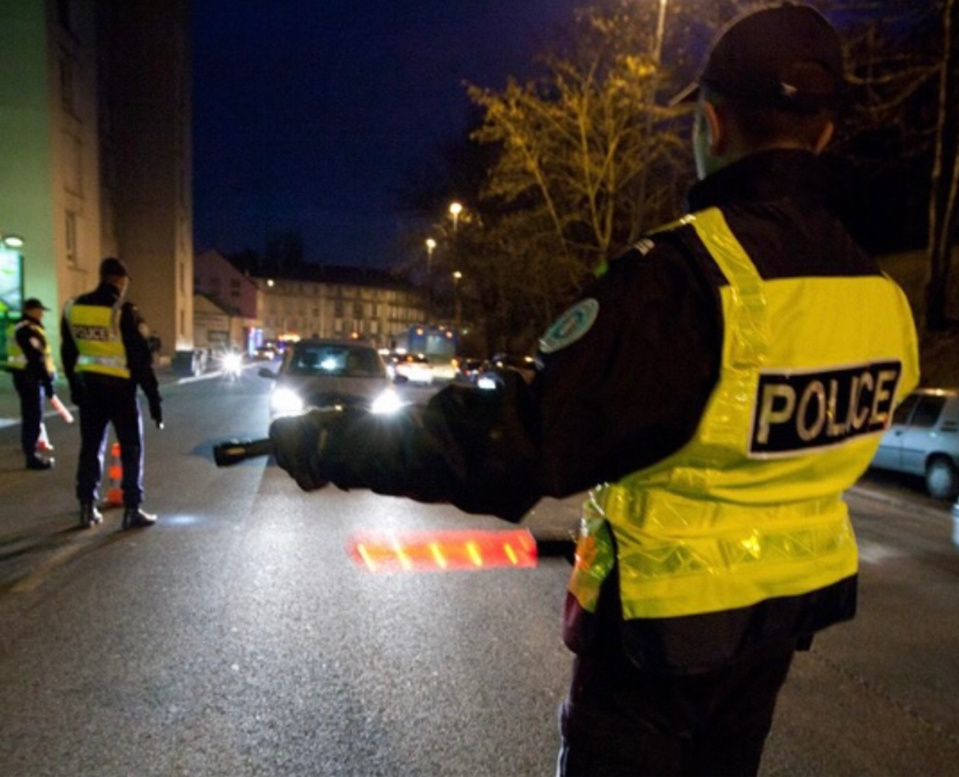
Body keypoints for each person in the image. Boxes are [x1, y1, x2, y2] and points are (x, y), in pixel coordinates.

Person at [267, 4, 920, 775]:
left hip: (656, 645)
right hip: (775, 627)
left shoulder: (682, 281)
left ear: (710, 126)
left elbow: (519, 438)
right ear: (825, 132)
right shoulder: (880, 298)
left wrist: (332, 439)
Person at [61, 257, 163, 530]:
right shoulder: (122, 312)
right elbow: (140, 360)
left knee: (91, 447)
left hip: (89, 390)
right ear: (120, 280)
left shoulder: (74, 308)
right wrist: (153, 399)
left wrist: (75, 386)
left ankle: (86, 507)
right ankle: (132, 509)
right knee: (130, 448)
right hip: (120, 392)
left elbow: (68, 352)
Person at [3, 297, 57, 470]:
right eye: (39, 310)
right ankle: (31, 456)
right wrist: (48, 382)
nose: (41, 314)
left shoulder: (19, 327)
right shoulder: (27, 329)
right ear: (30, 310)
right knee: (33, 416)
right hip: (30, 376)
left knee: (31, 415)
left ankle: (30, 450)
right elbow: (36, 357)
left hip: (24, 375)